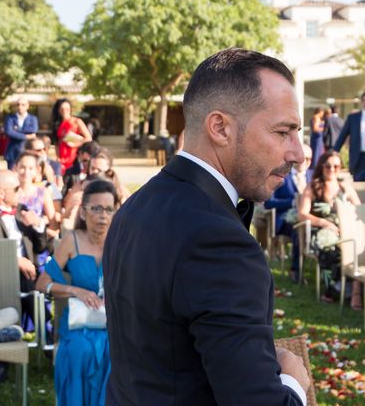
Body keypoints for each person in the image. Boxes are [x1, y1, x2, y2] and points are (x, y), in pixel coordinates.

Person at [103, 48, 310, 405]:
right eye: (283, 131)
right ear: (220, 127)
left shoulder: (135, 206)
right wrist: (292, 381)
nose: (298, 153)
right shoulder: (218, 241)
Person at [36, 179, 116, 406]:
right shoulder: (72, 241)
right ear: (83, 211)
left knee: (114, 351)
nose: (103, 215)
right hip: (79, 323)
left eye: (109, 209)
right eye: (96, 208)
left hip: (113, 322)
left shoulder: (120, 241)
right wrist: (75, 290)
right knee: (79, 351)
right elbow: (43, 283)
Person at [0, 169, 48, 388]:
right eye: (16, 188)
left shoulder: (22, 211)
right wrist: (15, 260)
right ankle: (9, 361)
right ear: (2, 194)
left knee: (34, 290)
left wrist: (38, 225)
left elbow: (42, 246)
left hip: (31, 274)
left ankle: (45, 349)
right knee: (30, 293)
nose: (21, 192)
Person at [298, 151, 361, 306]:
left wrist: (348, 195)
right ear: (322, 167)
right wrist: (324, 223)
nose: (332, 169)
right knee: (332, 250)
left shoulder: (344, 186)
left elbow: (360, 210)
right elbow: (302, 214)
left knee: (354, 247)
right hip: (320, 231)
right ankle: (335, 291)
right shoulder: (313, 186)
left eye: (336, 166)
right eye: (328, 166)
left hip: (344, 229)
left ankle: (354, 291)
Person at [265, 144, 313, 282]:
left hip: (310, 219)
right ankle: (296, 270)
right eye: (305, 158)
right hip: (286, 221)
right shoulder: (281, 175)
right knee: (299, 229)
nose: (307, 162)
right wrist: (291, 202)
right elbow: (269, 203)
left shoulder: (314, 176)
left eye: (310, 159)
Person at [334, 90, 365, 177]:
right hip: (359, 158)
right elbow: (342, 136)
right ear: (361, 102)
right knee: (358, 185)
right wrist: (335, 151)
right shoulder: (353, 118)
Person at [56, 99, 92, 175]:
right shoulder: (58, 124)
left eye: (67, 109)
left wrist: (75, 144)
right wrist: (58, 156)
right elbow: (58, 142)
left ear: (70, 110)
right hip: (62, 156)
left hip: (74, 155)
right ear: (59, 110)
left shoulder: (77, 121)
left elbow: (88, 138)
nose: (64, 111)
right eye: (62, 109)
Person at [4, 97, 39, 170]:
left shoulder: (33, 119)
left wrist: (16, 130)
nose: (20, 107)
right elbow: (9, 132)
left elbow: (34, 130)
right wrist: (26, 136)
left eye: (23, 105)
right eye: (18, 105)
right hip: (12, 153)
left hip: (27, 152)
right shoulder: (10, 118)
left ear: (27, 106)